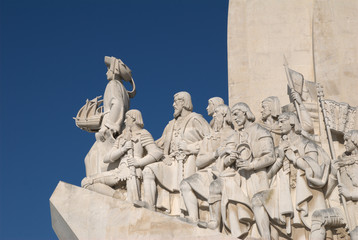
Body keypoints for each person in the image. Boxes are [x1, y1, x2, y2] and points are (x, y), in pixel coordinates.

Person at [201, 102, 275, 239]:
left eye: (236, 114)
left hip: (256, 177)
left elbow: (270, 156)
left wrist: (252, 165)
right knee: (222, 189)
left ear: (245, 113)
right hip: (238, 178)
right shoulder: (235, 136)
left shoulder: (260, 131)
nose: (234, 118)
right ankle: (230, 231)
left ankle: (265, 236)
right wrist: (230, 158)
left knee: (257, 203)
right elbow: (225, 159)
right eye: (232, 115)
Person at [136, 91, 211, 215]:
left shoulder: (196, 119)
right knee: (149, 169)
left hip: (189, 161)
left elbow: (211, 141)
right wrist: (140, 144)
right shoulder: (171, 124)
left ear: (183, 102)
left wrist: (190, 147)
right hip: (172, 162)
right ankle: (149, 205)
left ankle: (191, 215)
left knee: (186, 187)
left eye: (176, 102)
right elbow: (159, 144)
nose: (173, 105)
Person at [267, 112, 330, 239]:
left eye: (282, 121)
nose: (279, 125)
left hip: (309, 192)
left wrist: (294, 158)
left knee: (312, 225)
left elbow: (314, 170)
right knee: (297, 231)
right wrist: (279, 158)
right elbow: (269, 175)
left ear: (291, 122)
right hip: (288, 192)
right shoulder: (280, 147)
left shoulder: (307, 144)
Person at [81, 109, 162, 202]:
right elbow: (107, 158)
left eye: (127, 118)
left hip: (133, 170)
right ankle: (121, 197)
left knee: (134, 202)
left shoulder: (143, 133)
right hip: (119, 171)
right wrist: (123, 149)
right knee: (86, 182)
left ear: (134, 119)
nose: (124, 121)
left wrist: (139, 162)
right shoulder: (121, 137)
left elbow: (156, 152)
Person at [180, 104, 239, 223]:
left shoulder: (235, 134)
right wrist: (215, 154)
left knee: (215, 186)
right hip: (207, 172)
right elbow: (199, 162)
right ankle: (193, 218)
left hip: (226, 172)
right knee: (185, 184)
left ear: (224, 114)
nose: (214, 115)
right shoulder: (209, 138)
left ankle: (215, 222)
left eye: (216, 113)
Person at [84, 56, 136, 177]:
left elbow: (117, 104)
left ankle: (94, 185)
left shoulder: (113, 84)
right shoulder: (122, 88)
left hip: (110, 128)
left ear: (114, 70)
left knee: (91, 158)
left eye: (108, 69)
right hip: (118, 125)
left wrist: (108, 127)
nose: (106, 72)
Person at [310, 130, 358, 240]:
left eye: (347, 140)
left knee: (355, 235)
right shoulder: (341, 161)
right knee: (318, 217)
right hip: (344, 210)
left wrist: (351, 194)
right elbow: (326, 193)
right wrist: (333, 174)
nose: (344, 144)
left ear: (355, 141)